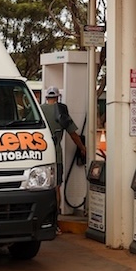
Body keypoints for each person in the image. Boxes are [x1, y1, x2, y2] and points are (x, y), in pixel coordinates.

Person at [41, 87, 86, 220]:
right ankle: (55, 219)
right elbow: (73, 134)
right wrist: (82, 148)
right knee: (56, 187)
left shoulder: (39, 110)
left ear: (46, 97)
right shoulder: (61, 111)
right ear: (58, 97)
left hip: (40, 155)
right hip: (56, 156)